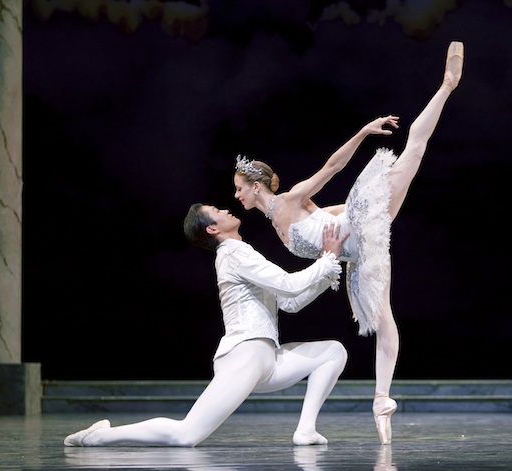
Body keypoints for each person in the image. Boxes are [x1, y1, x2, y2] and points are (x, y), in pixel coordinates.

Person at [232, 41, 464, 445]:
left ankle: (447, 85)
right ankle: (382, 401)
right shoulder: (275, 226)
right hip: (360, 255)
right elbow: (331, 225)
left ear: (255, 187)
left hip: (362, 228)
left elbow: (333, 166)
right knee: (382, 319)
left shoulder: (290, 201)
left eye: (239, 189)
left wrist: (363, 131)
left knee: (412, 152)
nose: (236, 196)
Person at [63, 204, 350, 448]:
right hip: (245, 355)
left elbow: (289, 303)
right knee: (186, 435)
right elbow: (289, 285)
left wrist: (327, 270)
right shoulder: (234, 253)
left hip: (267, 360)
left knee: (333, 352)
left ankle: (305, 430)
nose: (225, 209)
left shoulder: (241, 251)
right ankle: (99, 436)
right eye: (216, 211)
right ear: (212, 229)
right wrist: (326, 259)